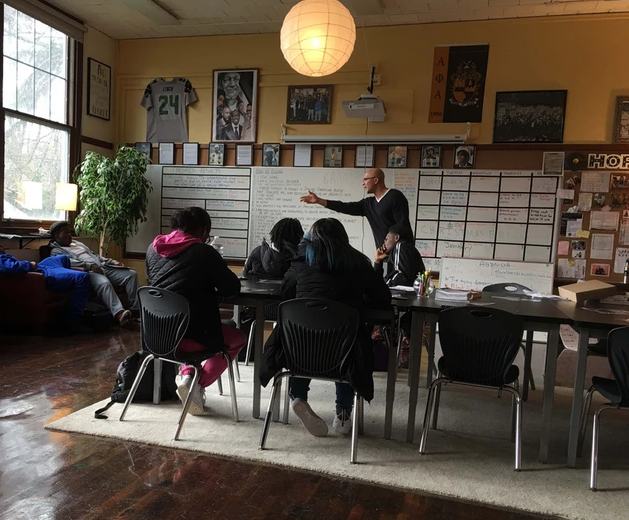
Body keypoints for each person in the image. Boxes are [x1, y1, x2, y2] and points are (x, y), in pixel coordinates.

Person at [260, 218, 391, 436]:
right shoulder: (359, 263)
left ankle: (298, 396)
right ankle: (343, 414)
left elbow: (287, 293)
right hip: (343, 354)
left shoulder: (300, 263)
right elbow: (383, 299)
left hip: (299, 353)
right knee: (347, 340)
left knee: (304, 334)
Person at [146, 206, 246, 415]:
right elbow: (232, 288)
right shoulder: (204, 252)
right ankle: (195, 385)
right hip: (192, 337)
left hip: (156, 336)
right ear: (202, 231)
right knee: (236, 338)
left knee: (200, 326)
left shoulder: (152, 249)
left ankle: (188, 374)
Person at [49, 221, 139, 325]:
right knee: (104, 283)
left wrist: (111, 261)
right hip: (89, 272)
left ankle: (135, 310)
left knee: (131, 274)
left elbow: (95, 255)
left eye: (69, 232)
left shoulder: (77, 243)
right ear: (57, 236)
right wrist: (89, 266)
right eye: (65, 233)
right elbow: (68, 263)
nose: (70, 235)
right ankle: (119, 313)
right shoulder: (56, 251)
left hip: (103, 267)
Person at [300, 167, 411, 250]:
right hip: (382, 254)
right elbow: (344, 206)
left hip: (400, 252)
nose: (363, 183)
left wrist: (390, 245)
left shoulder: (395, 196)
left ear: (376, 180)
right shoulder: (368, 204)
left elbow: (402, 225)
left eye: (366, 179)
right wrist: (319, 200)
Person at [0, 245, 90, 324]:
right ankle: (73, 321)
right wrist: (29, 264)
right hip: (43, 273)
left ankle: (64, 286)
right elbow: (14, 267)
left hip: (41, 266)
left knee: (63, 258)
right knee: (82, 277)